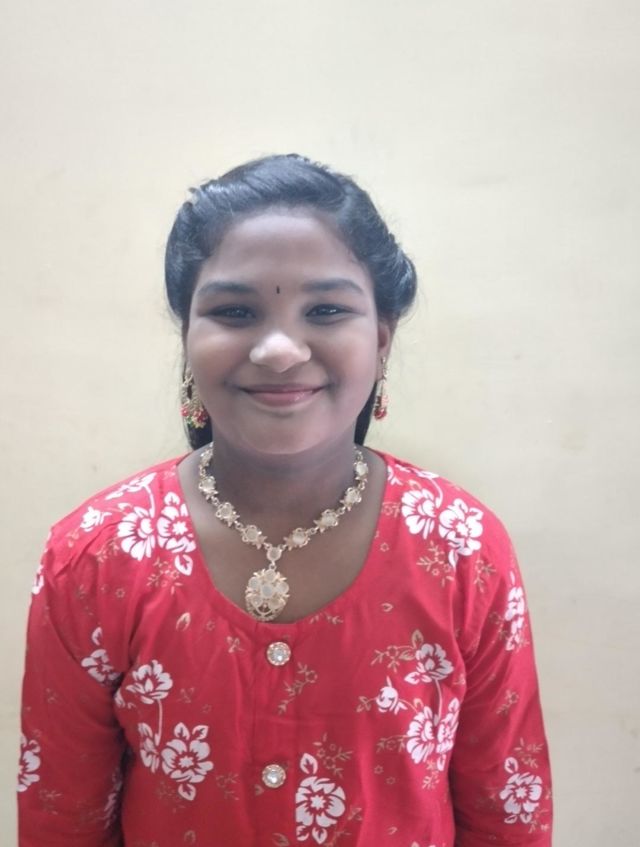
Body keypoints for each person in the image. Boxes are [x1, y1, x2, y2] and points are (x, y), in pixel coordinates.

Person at [18, 154, 552, 846]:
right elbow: (61, 819)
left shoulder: (463, 549)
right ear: (187, 337)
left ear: (381, 339)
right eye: (235, 312)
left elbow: (508, 816)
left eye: (326, 310)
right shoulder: (95, 556)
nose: (278, 349)